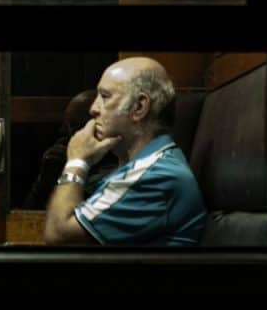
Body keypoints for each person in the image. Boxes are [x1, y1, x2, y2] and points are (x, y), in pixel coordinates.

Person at [43, 57, 206, 246]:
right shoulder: (141, 166)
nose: (93, 109)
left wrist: (77, 161)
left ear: (139, 107)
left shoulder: (155, 176)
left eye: (105, 96)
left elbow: (58, 235)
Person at [22, 90, 118, 209]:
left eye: (74, 126)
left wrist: (75, 166)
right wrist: (46, 179)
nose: (63, 131)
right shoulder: (61, 159)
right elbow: (29, 212)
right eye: (65, 125)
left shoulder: (120, 173)